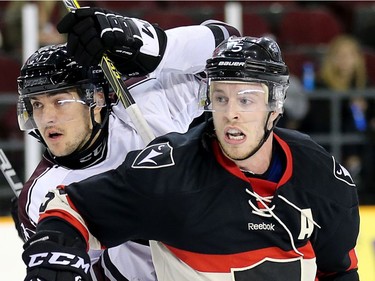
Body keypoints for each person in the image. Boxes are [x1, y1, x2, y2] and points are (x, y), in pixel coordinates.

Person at [21, 36, 360, 281]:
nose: (231, 114)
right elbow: (72, 213)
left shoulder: (323, 177)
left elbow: (339, 270)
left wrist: (142, 38)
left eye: (246, 100)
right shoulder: (168, 171)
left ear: (275, 105)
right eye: (220, 98)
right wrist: (56, 249)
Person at [16, 7, 240, 281]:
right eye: (37, 105)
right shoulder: (41, 195)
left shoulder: (147, 101)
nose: (47, 118)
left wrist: (152, 44)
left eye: (60, 102)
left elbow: (228, 46)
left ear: (96, 100)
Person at [300, 34, 375, 203]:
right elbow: (317, 121)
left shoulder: (366, 87)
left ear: (358, 59)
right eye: (339, 55)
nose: (344, 60)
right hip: (325, 142)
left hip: (360, 144)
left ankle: (358, 172)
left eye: (349, 55)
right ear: (330, 59)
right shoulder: (319, 86)